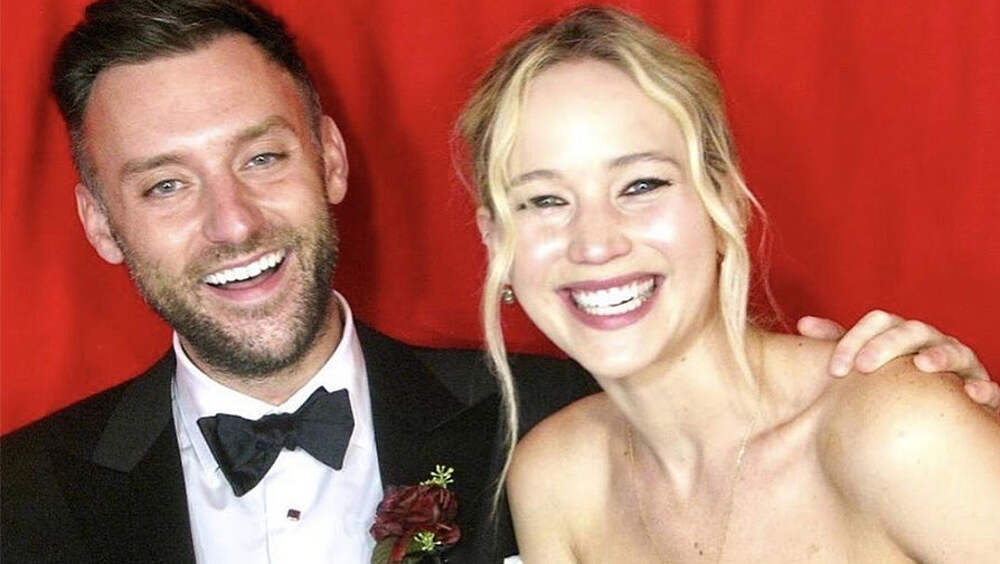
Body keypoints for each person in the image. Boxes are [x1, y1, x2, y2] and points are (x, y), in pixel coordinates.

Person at [0, 1, 993, 563]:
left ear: (330, 159)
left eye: (262, 158)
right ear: (99, 221)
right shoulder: (560, 469)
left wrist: (942, 421)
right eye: (166, 184)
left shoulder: (534, 424)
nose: (232, 222)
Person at [460, 6, 1000, 563]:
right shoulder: (556, 479)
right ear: (495, 240)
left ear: (727, 203)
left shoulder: (899, 430)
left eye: (642, 185)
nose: (595, 245)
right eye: (545, 200)